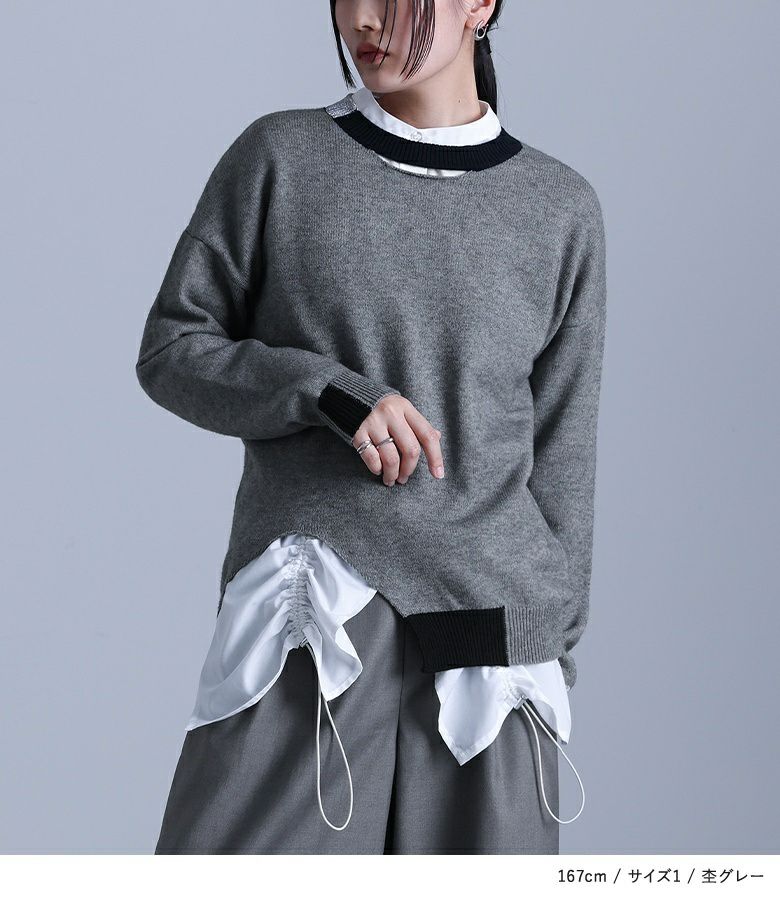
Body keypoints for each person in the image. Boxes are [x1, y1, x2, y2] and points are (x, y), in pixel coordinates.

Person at [137, 0, 606, 855]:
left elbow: (565, 454)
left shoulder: (559, 207)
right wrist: (327, 391)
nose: (362, 17)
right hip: (319, 607)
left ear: (480, 5)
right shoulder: (282, 155)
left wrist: (551, 645)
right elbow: (173, 350)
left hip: (494, 647)